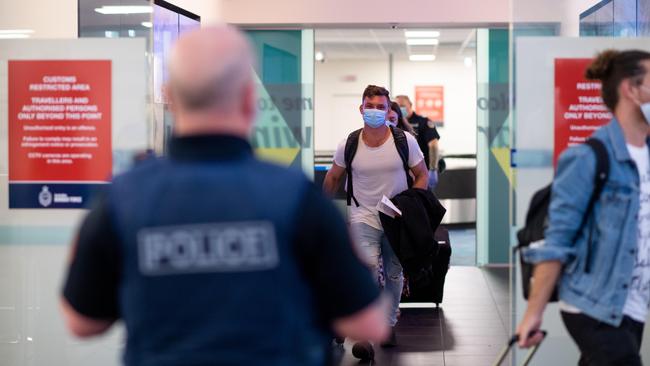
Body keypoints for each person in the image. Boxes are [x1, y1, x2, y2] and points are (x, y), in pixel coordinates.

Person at [60, 25, 389, 366]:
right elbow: (368, 323)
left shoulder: (123, 199)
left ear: (170, 96)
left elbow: (81, 322)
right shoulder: (296, 198)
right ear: (249, 99)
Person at [516, 49, 650, 365]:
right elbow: (556, 243)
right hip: (593, 303)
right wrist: (533, 314)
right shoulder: (588, 159)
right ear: (631, 89)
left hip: (633, 304)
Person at [323, 85, 429, 353]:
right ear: (361, 109)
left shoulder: (405, 141)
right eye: (370, 107)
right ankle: (366, 336)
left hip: (397, 218)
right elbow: (333, 177)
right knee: (367, 271)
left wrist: (413, 203)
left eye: (381, 107)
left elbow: (422, 174)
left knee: (394, 273)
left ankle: (388, 323)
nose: (375, 112)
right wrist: (322, 210)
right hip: (362, 215)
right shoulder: (349, 144)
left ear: (388, 109)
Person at [395, 96, 441, 190]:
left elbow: (433, 145)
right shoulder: (396, 123)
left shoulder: (423, 122)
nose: (400, 109)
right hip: (402, 174)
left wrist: (433, 169)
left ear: (410, 105)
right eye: (398, 106)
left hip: (421, 172)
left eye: (403, 106)